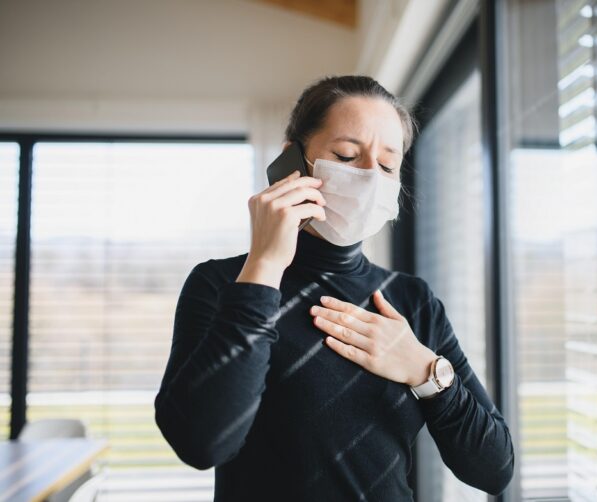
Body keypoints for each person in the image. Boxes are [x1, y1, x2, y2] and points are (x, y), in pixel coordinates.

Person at [154, 75, 514, 501]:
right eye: (346, 155)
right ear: (292, 161)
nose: (370, 178)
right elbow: (201, 443)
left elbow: (495, 470)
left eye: (387, 165)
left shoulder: (412, 299)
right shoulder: (221, 284)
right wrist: (265, 265)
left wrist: (423, 370)